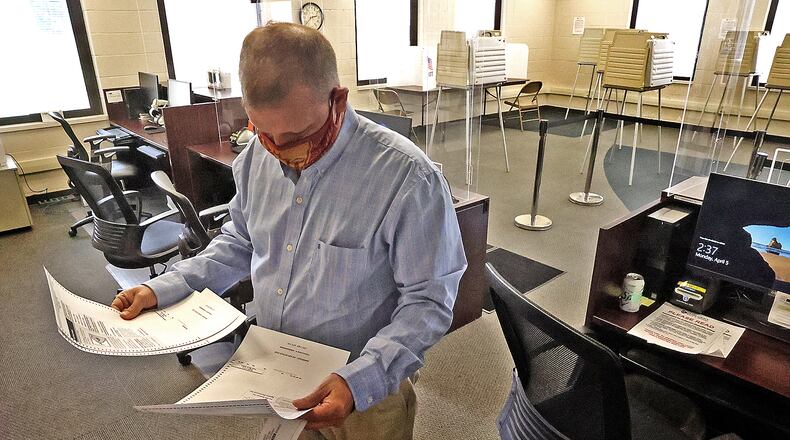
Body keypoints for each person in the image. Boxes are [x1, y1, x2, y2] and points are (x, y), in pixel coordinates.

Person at [111, 22, 466, 440]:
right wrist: (165, 288)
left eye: (298, 135)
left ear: (337, 100)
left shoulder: (407, 177)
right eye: (266, 134)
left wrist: (363, 378)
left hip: (364, 390)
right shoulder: (255, 158)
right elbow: (240, 241)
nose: (281, 151)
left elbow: (429, 301)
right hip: (276, 377)